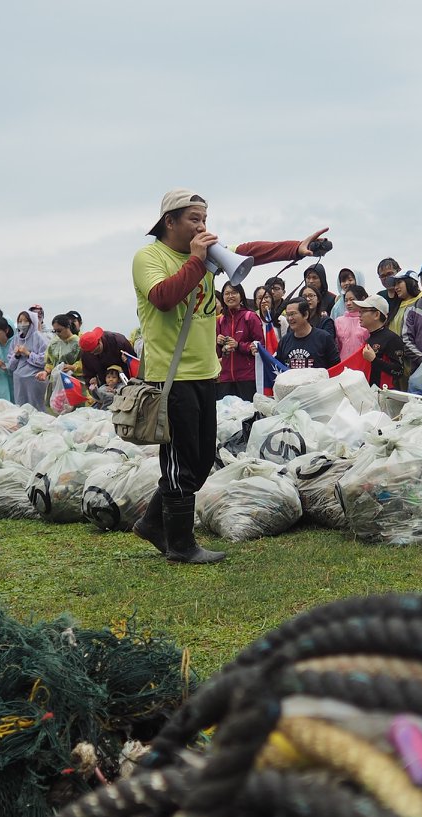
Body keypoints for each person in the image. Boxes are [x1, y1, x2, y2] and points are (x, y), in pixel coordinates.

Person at [132, 187, 318, 563]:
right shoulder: (149, 257)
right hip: (172, 377)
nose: (203, 227)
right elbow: (164, 298)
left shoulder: (205, 256)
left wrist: (296, 248)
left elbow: (250, 251)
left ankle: (153, 523)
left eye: (205, 219)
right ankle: (181, 546)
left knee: (200, 461)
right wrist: (198, 261)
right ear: (169, 222)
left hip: (205, 373)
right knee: (180, 461)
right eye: (194, 220)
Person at [215, 281, 266, 401]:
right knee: (227, 417)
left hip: (247, 377)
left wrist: (239, 345)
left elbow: (260, 346)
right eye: (227, 293)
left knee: (248, 415)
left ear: (241, 295)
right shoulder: (220, 320)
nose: (230, 296)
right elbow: (217, 354)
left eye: (234, 292)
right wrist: (218, 343)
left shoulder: (250, 317)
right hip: (225, 378)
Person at [356, 294, 418, 389]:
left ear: (376, 315)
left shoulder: (392, 339)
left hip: (385, 395)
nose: (359, 315)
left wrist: (374, 360)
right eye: (359, 311)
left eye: (363, 311)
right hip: (370, 393)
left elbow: (399, 371)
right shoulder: (369, 339)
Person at [275, 299, 340, 370]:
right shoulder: (284, 341)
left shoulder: (324, 338)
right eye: (287, 315)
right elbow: (278, 367)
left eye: (293, 314)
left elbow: (336, 367)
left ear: (305, 314)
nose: (290, 318)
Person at [78, 327, 134, 392]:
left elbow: (134, 364)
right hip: (104, 386)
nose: (94, 353)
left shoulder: (119, 341)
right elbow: (88, 376)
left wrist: (128, 361)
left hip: (126, 383)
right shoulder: (86, 354)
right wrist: (92, 385)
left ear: (99, 340)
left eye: (96, 350)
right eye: (91, 352)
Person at [331, 285, 368, 361]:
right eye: (346, 300)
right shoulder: (338, 321)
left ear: (362, 299)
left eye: (352, 300)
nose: (348, 303)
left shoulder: (367, 320)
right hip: (343, 362)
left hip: (363, 361)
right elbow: (336, 345)